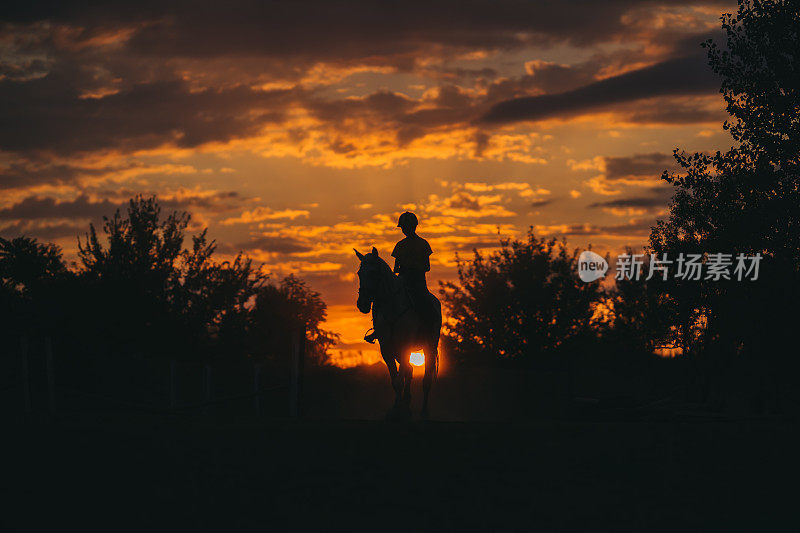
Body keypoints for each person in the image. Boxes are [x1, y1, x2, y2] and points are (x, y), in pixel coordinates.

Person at [364, 211, 433, 344]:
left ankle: (428, 328)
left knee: (424, 301)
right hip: (402, 280)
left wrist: (412, 267)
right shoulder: (399, 245)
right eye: (403, 228)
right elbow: (396, 268)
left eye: (406, 227)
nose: (405, 230)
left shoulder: (423, 244)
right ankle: (377, 329)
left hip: (418, 281)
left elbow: (427, 267)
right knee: (381, 299)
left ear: (414, 226)